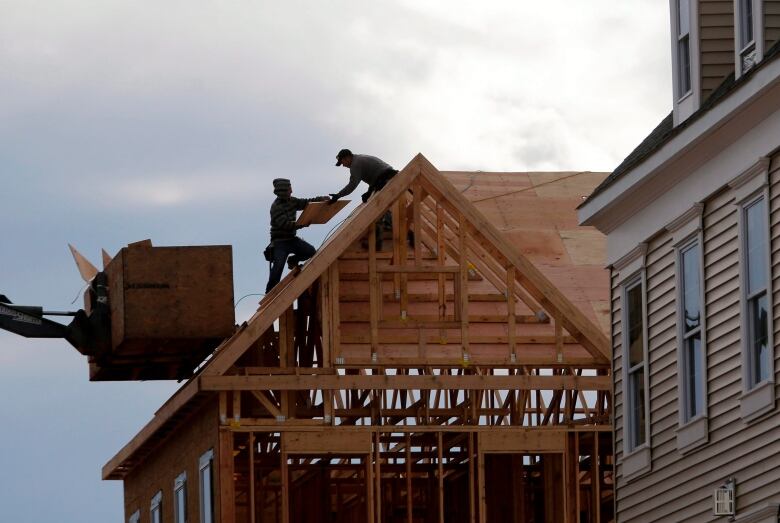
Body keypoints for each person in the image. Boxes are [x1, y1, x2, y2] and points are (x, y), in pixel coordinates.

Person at [265, 178, 329, 293]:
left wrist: (321, 199)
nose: (291, 191)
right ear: (283, 191)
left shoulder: (292, 201)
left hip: (291, 239)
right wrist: (302, 224)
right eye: (289, 189)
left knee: (310, 252)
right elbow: (285, 225)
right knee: (277, 269)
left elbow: (307, 203)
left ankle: (293, 259)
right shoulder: (276, 207)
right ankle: (269, 294)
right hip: (280, 242)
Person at [329, 149, 398, 204]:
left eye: (342, 162)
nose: (343, 165)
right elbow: (376, 176)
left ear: (347, 158)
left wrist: (338, 195)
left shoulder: (355, 164)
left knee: (379, 206)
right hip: (390, 175)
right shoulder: (359, 158)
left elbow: (352, 184)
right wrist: (369, 191)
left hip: (386, 179)